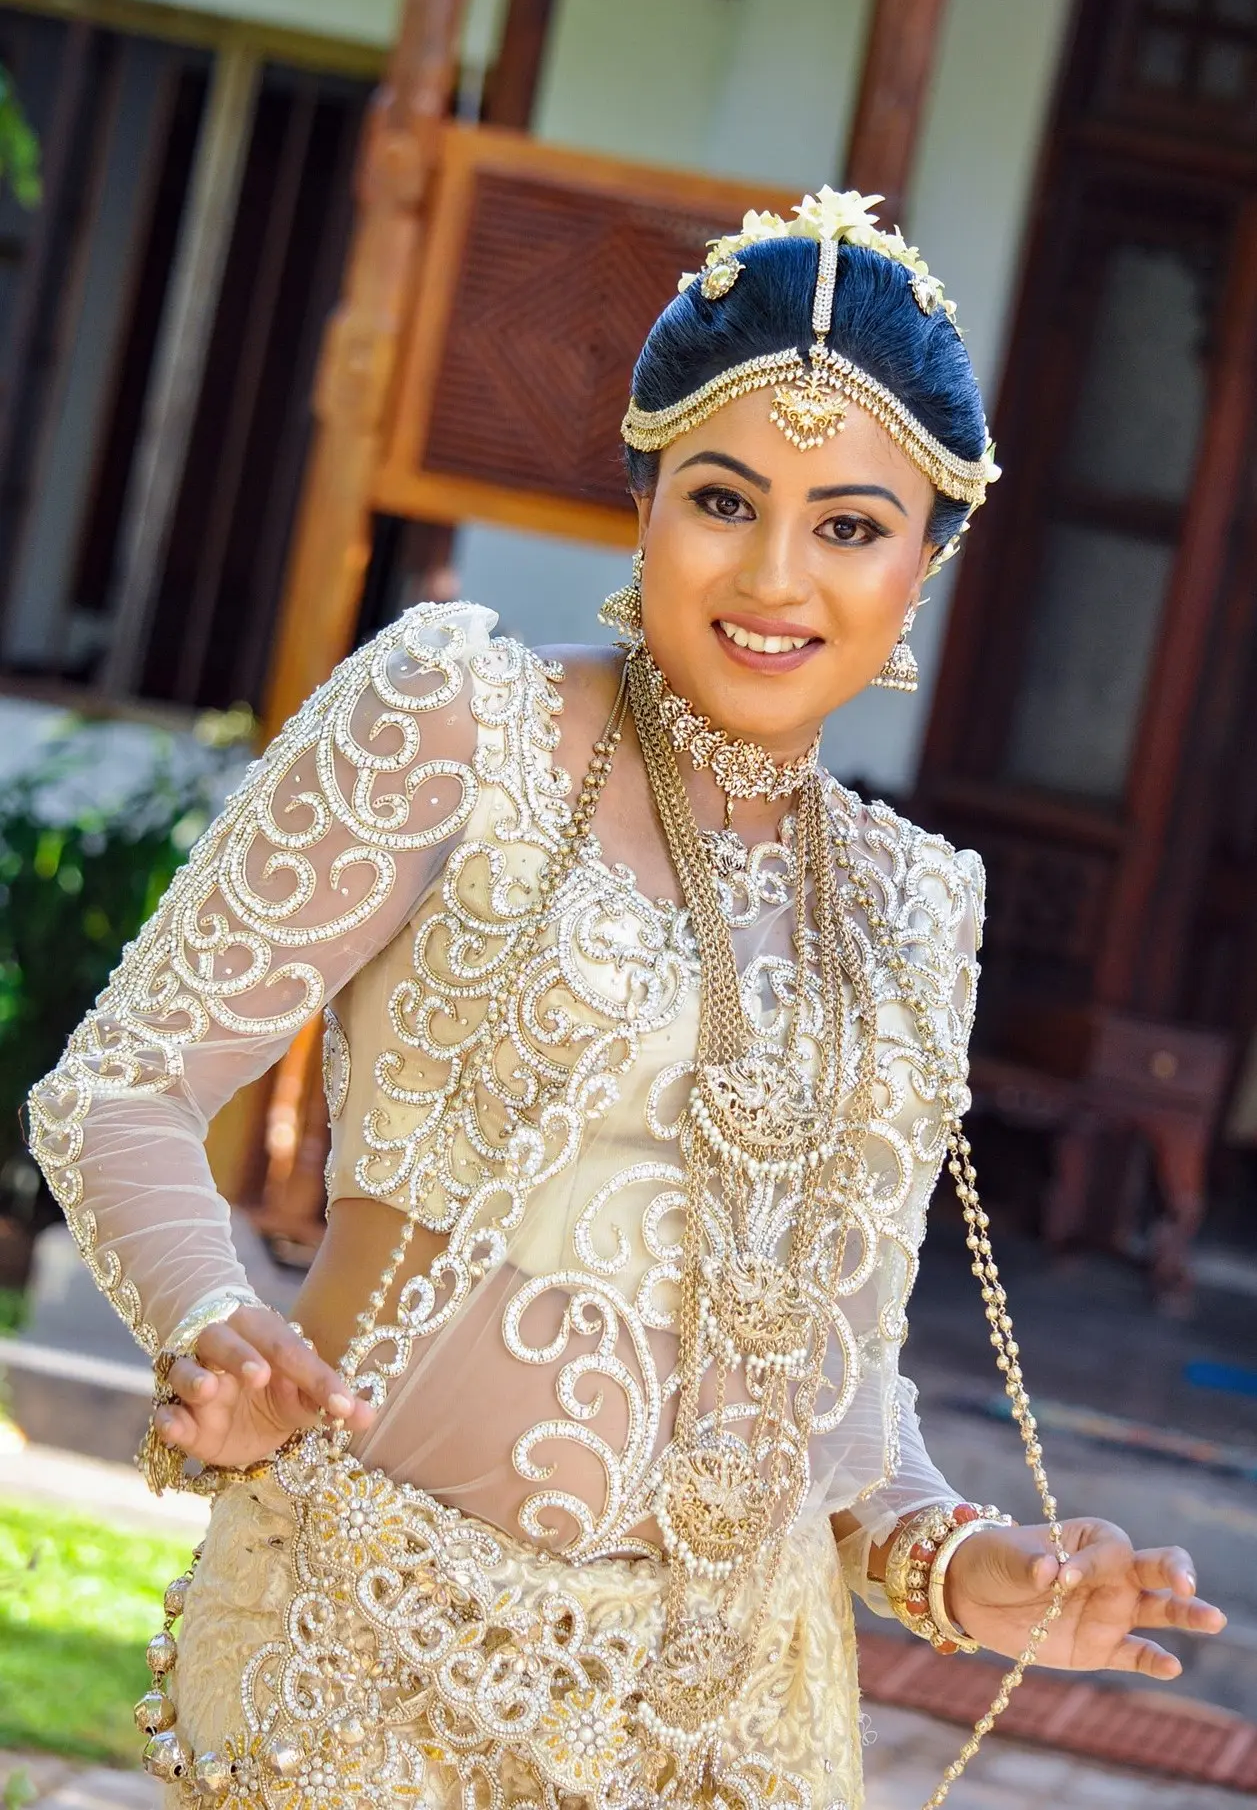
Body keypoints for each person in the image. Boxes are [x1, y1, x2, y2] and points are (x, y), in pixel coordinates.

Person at [27, 191, 1224, 1810]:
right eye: (727, 498)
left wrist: (963, 1562)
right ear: (645, 500)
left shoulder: (914, 905)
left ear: (927, 562)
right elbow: (128, 1082)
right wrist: (208, 1318)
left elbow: (840, 1379)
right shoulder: (461, 721)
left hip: (728, 1725)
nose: (778, 576)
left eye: (852, 526)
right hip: (369, 1668)